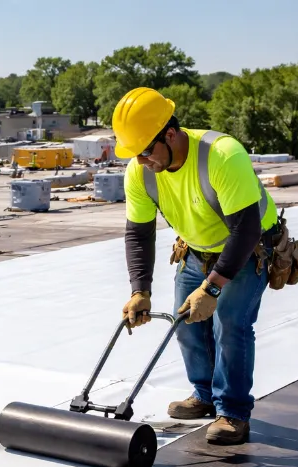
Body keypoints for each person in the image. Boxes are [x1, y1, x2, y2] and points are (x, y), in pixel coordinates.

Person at [114, 87, 281, 445]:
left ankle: (232, 412)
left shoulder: (222, 155)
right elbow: (138, 234)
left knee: (230, 324)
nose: (142, 161)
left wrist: (213, 286)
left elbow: (246, 229)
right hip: (195, 250)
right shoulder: (140, 173)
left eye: (145, 151)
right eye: (135, 154)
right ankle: (205, 394)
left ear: (170, 135)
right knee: (185, 324)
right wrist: (139, 290)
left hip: (247, 248)